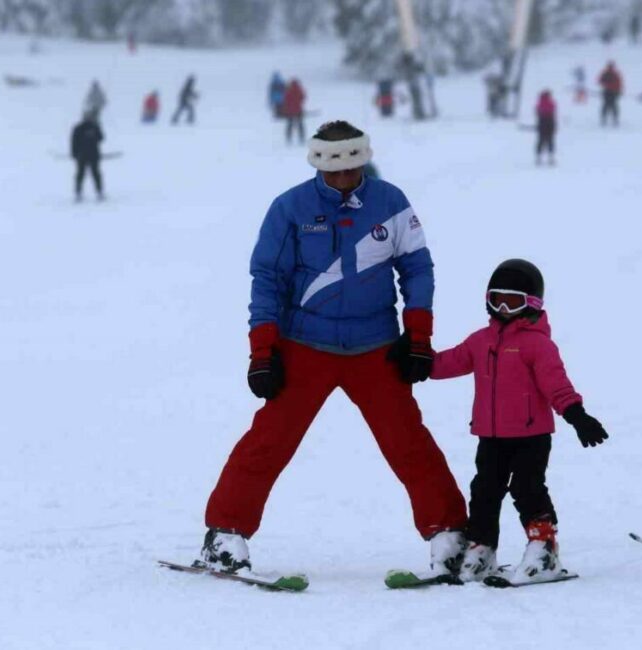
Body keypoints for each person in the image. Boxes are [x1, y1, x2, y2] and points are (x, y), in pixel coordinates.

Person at [199, 120, 468, 577]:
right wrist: (263, 352)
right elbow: (268, 279)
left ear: (364, 161)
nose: (343, 179)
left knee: (408, 442)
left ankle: (451, 535)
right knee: (269, 441)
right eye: (334, 171)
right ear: (318, 164)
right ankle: (225, 535)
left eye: (352, 169)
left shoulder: (391, 202)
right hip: (305, 344)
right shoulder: (290, 208)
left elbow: (417, 268)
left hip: (375, 347)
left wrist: (418, 337)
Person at [430, 259, 609, 584]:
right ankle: (482, 548)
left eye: (512, 301)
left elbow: (557, 385)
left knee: (527, 489)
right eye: (496, 298)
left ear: (532, 304)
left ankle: (544, 548)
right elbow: (448, 362)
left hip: (531, 436)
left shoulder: (537, 344)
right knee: (484, 491)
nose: (503, 307)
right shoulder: (480, 341)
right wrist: (416, 362)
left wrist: (577, 416)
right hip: (491, 436)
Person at [70, 111, 104, 202]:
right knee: (80, 174)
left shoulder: (95, 127)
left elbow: (101, 138)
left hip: (94, 155)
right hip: (82, 155)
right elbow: (73, 142)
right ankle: (78, 192)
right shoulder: (78, 128)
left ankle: (99, 191)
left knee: (96, 174)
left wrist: (96, 131)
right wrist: (74, 153)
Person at [534, 90, 557, 166]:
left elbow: (537, 112)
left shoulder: (539, 103)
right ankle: (551, 158)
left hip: (541, 122)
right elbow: (553, 112)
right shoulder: (551, 103)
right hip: (550, 122)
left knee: (541, 140)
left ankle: (538, 157)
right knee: (550, 140)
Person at [598, 61, 623, 128]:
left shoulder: (611, 73)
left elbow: (600, 81)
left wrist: (619, 90)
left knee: (608, 105)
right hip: (610, 91)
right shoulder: (610, 73)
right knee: (611, 105)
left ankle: (608, 119)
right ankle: (611, 119)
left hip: (610, 91)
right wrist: (619, 91)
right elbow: (600, 81)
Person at [282, 78, 306, 145]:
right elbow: (303, 97)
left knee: (290, 125)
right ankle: (302, 138)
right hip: (299, 110)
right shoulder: (299, 90)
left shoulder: (289, 90)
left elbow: (286, 100)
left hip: (290, 111)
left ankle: (288, 138)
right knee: (300, 125)